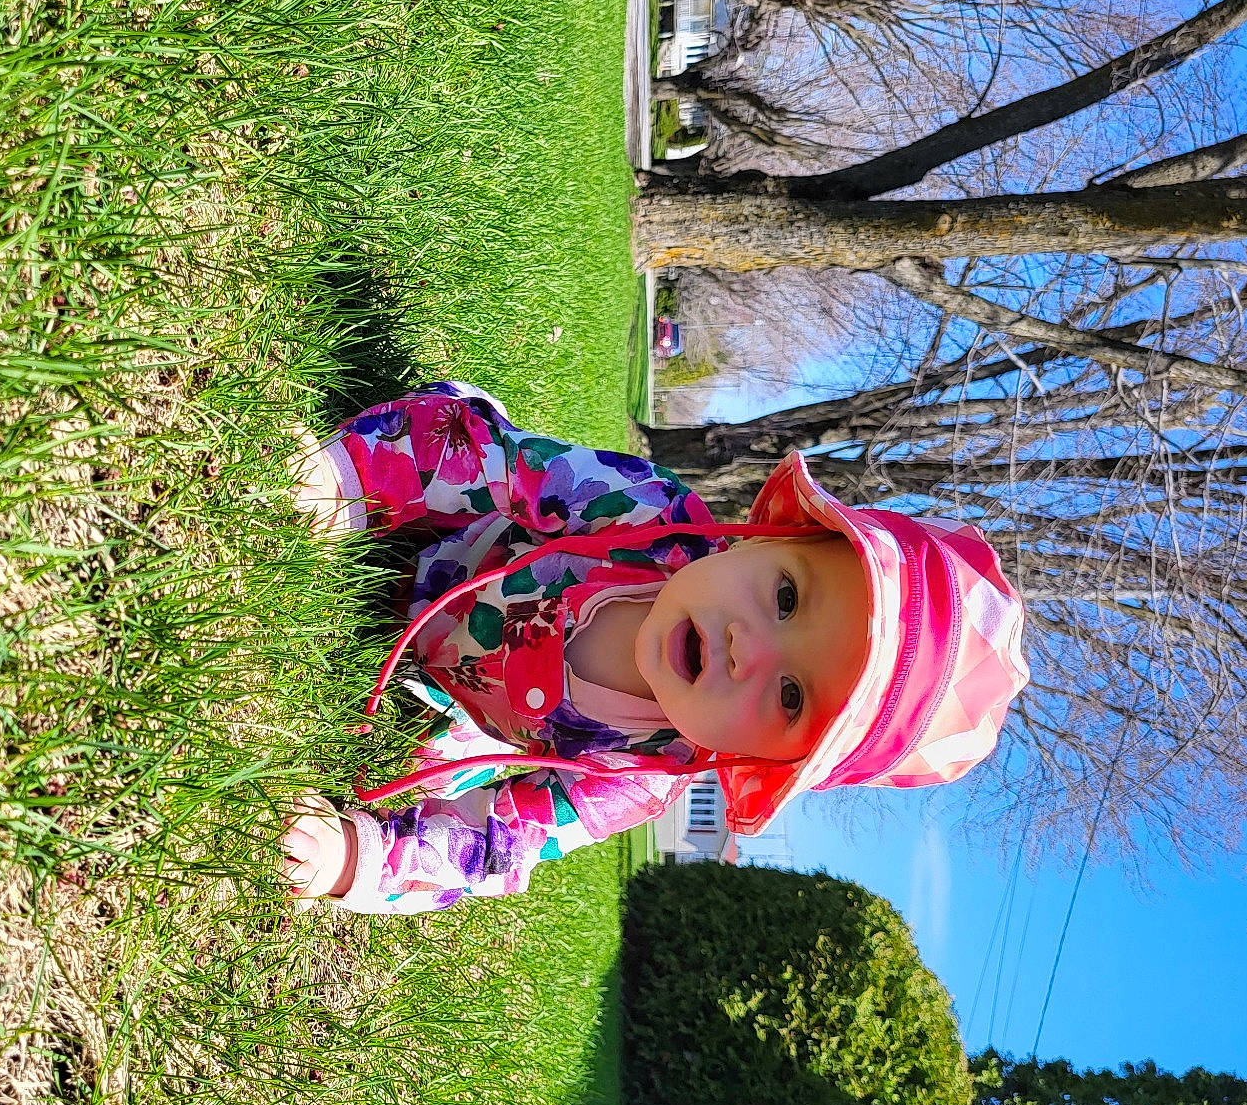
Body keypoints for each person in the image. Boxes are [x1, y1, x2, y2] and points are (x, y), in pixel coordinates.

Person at [279, 382, 1030, 913]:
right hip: (464, 530)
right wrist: (349, 481)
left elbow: (503, 842)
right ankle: (354, 484)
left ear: (767, 762)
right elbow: (506, 473)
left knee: (438, 778)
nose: (748, 650)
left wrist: (357, 857)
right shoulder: (650, 517)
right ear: (763, 540)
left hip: (466, 693)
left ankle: (428, 700)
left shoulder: (640, 774)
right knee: (464, 447)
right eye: (787, 598)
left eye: (792, 696)